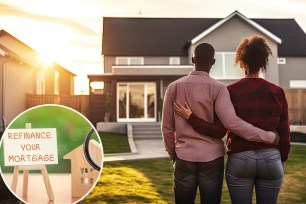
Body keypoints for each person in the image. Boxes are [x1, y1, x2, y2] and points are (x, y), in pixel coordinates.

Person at [174, 35, 290, 204]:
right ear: (264, 61)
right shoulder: (278, 92)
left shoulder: (230, 91)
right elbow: (284, 133)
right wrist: (282, 158)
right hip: (271, 159)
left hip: (240, 159)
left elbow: (219, 129)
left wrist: (192, 118)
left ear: (241, 62)